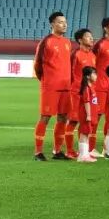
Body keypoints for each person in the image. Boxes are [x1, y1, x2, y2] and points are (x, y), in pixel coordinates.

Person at [33, 11, 74, 161]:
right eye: (60, 22)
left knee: (63, 117)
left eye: (65, 22)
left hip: (66, 86)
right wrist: (46, 80)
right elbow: (37, 64)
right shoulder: (46, 41)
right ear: (52, 24)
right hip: (51, 86)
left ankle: (57, 151)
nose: (64, 25)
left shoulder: (67, 42)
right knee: (45, 117)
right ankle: (38, 152)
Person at [74, 67, 99, 163]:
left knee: (87, 134)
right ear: (88, 76)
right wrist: (88, 115)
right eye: (94, 73)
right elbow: (86, 102)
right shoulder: (86, 88)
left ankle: (85, 154)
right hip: (86, 114)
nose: (96, 76)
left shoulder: (91, 87)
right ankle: (82, 156)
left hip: (91, 114)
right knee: (84, 134)